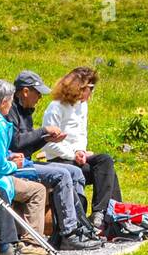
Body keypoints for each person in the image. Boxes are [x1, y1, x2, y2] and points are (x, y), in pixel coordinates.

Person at [6, 71, 98, 249]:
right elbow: (15, 143)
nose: (40, 97)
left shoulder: (26, 111)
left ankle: (80, 225)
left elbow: (26, 147)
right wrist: (43, 131)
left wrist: (45, 139)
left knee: (76, 172)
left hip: (25, 161)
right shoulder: (10, 111)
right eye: (37, 92)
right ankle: (68, 233)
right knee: (62, 174)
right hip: (12, 165)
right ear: (25, 91)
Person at [40, 67, 122, 229]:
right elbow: (49, 143)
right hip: (59, 160)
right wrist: (73, 154)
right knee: (106, 173)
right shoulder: (56, 107)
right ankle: (110, 217)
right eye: (90, 89)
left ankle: (104, 214)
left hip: (76, 157)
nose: (91, 93)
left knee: (105, 161)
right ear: (79, 87)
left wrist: (80, 151)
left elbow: (81, 134)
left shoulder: (82, 106)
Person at [0, 80, 46, 255]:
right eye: (9, 101)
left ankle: (9, 251)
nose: (10, 105)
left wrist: (7, 155)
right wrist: (14, 163)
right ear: (3, 102)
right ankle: (15, 249)